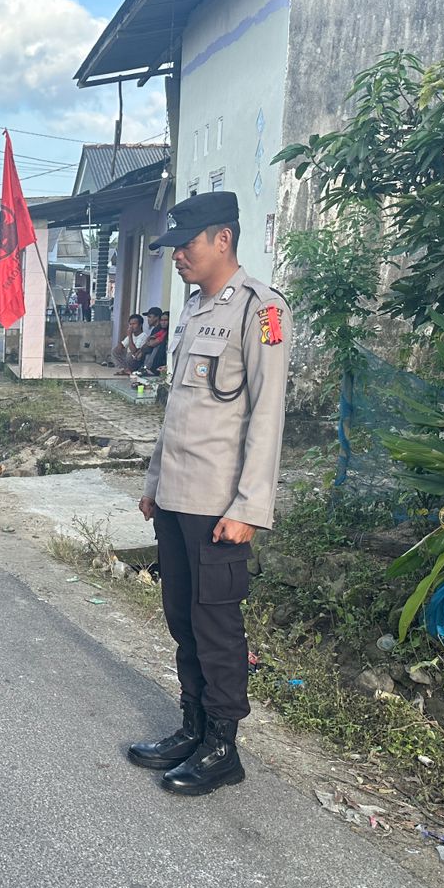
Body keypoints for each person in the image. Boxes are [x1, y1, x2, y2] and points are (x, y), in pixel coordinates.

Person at [130, 192, 291, 797]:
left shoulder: (261, 310)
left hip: (219, 507)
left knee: (216, 624)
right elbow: (178, 413)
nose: (177, 256)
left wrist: (249, 507)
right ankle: (193, 727)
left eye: (186, 244)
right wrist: (154, 484)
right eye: (173, 247)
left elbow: (267, 416)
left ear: (223, 239)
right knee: (182, 618)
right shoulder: (193, 311)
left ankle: (223, 746)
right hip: (177, 498)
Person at [137, 308, 169, 375]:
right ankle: (146, 368)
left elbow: (154, 343)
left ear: (157, 317)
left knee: (154, 348)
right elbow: (151, 338)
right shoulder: (160, 329)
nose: (163, 322)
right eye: (162, 320)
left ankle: (149, 369)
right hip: (152, 353)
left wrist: (146, 346)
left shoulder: (163, 329)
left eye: (149, 317)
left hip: (161, 355)